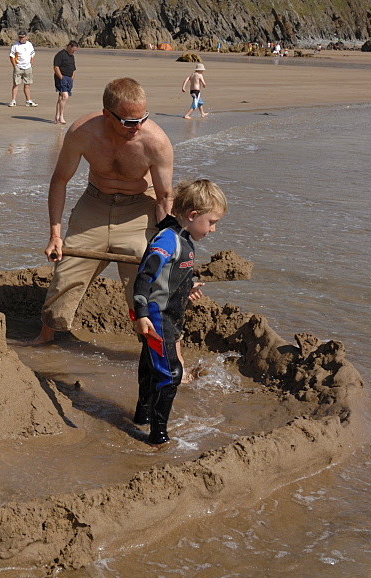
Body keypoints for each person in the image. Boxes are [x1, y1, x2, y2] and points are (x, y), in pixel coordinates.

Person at [31, 78, 174, 345]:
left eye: (143, 118)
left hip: (140, 206)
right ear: (107, 114)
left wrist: (168, 243)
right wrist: (55, 234)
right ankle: (46, 337)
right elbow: (59, 180)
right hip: (94, 203)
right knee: (66, 275)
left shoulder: (156, 142)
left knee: (144, 284)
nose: (138, 127)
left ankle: (153, 350)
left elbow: (165, 196)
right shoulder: (83, 133)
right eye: (129, 122)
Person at [132, 179, 227, 445]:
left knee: (151, 368)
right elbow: (145, 276)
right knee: (170, 375)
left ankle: (143, 417)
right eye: (211, 222)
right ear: (193, 215)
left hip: (169, 318)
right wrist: (141, 314)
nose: (214, 229)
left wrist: (187, 286)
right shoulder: (168, 239)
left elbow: (171, 274)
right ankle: (158, 436)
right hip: (156, 317)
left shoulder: (184, 238)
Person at [8, 31, 37, 107]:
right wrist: (15, 66)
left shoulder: (29, 45)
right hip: (18, 67)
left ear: (26, 37)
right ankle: (13, 100)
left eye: (23, 37)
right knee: (16, 84)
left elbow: (32, 55)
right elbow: (11, 56)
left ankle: (28, 101)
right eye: (20, 37)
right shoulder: (15, 45)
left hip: (28, 68)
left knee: (27, 85)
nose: (21, 38)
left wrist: (30, 64)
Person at [53, 40, 78, 124]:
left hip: (69, 79)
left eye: (75, 51)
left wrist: (71, 79)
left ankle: (56, 117)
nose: (74, 52)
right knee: (65, 96)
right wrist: (61, 78)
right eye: (73, 50)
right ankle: (61, 116)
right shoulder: (60, 54)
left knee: (61, 97)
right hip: (61, 78)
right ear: (69, 46)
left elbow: (74, 69)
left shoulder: (72, 56)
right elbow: (56, 67)